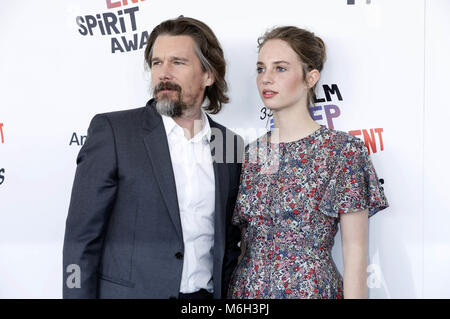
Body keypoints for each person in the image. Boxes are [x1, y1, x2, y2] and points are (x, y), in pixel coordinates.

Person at [63, 16, 243, 299]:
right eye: (157, 63)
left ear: (208, 75)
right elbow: (81, 239)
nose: (163, 73)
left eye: (178, 62)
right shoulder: (114, 132)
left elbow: (230, 240)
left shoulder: (229, 144)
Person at [228, 26, 388, 299]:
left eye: (280, 68)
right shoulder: (251, 154)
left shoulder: (342, 151)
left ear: (310, 77)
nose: (266, 78)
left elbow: (355, 252)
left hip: (310, 290)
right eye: (260, 69)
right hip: (247, 292)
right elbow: (244, 243)